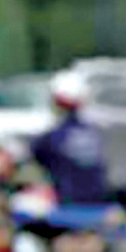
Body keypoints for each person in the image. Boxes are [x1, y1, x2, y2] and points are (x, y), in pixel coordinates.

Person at [30, 72, 112, 208]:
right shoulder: (95, 133)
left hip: (66, 206)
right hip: (98, 203)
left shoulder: (51, 137)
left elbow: (36, 157)